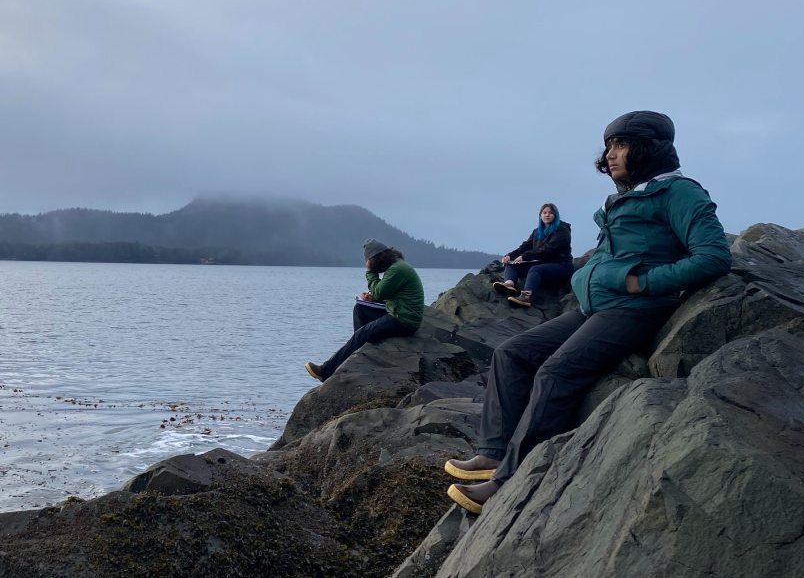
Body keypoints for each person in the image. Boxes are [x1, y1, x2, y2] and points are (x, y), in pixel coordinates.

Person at [444, 111, 730, 514]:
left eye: (622, 145)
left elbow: (714, 256)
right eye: (610, 145)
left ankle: (509, 482)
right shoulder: (627, 194)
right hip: (596, 305)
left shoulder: (679, 193)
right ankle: (493, 452)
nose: (611, 154)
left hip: (635, 308)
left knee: (555, 373)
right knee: (510, 353)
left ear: (649, 148)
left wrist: (641, 282)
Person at [305, 238, 425, 382]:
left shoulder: (397, 269)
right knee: (360, 309)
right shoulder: (397, 266)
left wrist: (370, 272)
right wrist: (372, 297)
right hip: (399, 311)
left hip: (404, 319)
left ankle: (325, 371)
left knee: (362, 333)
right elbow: (387, 294)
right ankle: (361, 350)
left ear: (376, 260)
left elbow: (380, 292)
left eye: (369, 262)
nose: (369, 265)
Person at [493, 203, 573, 308]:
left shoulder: (562, 230)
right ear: (540, 215)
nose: (547, 215)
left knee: (535, 269)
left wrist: (525, 256)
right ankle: (509, 285)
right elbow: (525, 246)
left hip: (561, 266)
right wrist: (509, 256)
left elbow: (548, 250)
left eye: (550, 213)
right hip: (544, 264)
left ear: (555, 215)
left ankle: (526, 297)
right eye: (544, 213)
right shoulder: (537, 232)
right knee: (512, 264)